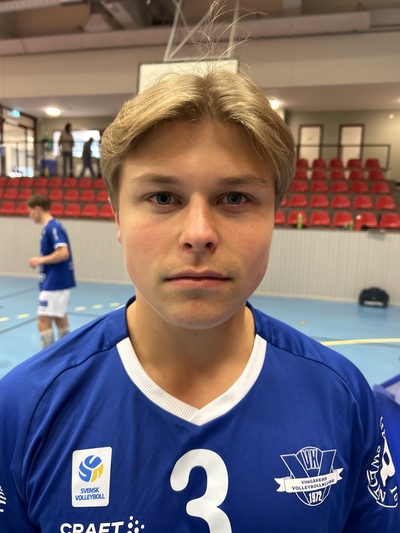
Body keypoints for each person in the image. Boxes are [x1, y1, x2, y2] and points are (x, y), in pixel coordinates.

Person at [0, 68, 398, 532]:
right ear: (117, 216)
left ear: (275, 214)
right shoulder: (24, 407)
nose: (199, 234)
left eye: (235, 197)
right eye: (162, 197)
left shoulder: (343, 397)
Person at [26, 193, 76, 349]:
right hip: (57, 280)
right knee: (59, 317)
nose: (29, 215)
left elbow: (63, 252)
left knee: (43, 320)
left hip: (55, 281)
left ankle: (47, 357)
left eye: (30, 211)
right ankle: (66, 352)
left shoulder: (52, 227)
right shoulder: (52, 226)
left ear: (37, 209)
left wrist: (39, 260)